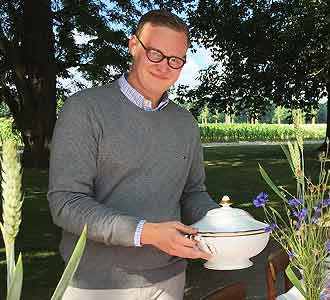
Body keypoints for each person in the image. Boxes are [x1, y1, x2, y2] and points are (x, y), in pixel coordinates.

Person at [48, 9, 220, 300]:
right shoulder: (84, 110)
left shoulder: (185, 123)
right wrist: (146, 232)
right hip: (95, 284)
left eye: (175, 60)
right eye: (155, 53)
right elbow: (66, 202)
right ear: (134, 46)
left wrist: (220, 224)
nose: (164, 66)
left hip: (170, 280)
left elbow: (192, 192)